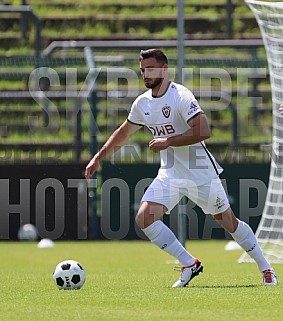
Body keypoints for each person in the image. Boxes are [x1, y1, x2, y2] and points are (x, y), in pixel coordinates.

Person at [85, 49, 277, 287]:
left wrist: (169, 141)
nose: (146, 74)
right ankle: (189, 263)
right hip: (170, 173)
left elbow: (203, 130)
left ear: (164, 69)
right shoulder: (142, 103)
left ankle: (266, 268)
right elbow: (123, 133)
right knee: (145, 218)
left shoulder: (181, 96)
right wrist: (98, 157)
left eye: (151, 69)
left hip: (200, 173)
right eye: (143, 70)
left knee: (229, 222)